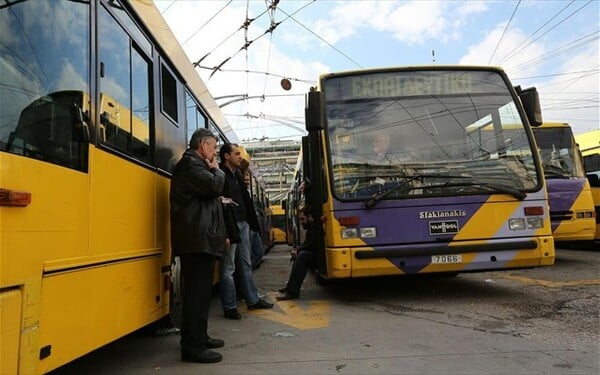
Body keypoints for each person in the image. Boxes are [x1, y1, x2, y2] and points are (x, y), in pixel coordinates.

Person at [169, 128, 226, 364]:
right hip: (196, 240)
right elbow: (214, 187)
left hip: (200, 238)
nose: (214, 152)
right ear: (203, 145)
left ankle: (199, 337)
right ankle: (192, 347)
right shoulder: (191, 165)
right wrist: (218, 171)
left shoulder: (194, 166)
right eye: (213, 147)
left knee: (201, 295)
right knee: (196, 295)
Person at [219, 143, 273, 319]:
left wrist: (252, 224)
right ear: (226, 156)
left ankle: (252, 300)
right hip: (231, 226)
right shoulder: (220, 174)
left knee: (246, 263)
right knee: (229, 267)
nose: (240, 157)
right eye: (236, 154)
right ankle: (229, 306)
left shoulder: (236, 175)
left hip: (243, 223)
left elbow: (245, 201)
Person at [276, 205, 316, 300]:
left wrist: (298, 250)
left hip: (319, 257)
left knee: (302, 256)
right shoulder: (311, 228)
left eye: (303, 219)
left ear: (310, 217)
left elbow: (311, 245)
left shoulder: (315, 228)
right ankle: (290, 286)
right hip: (314, 254)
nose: (301, 223)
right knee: (299, 255)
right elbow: (307, 244)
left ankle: (293, 291)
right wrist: (297, 250)